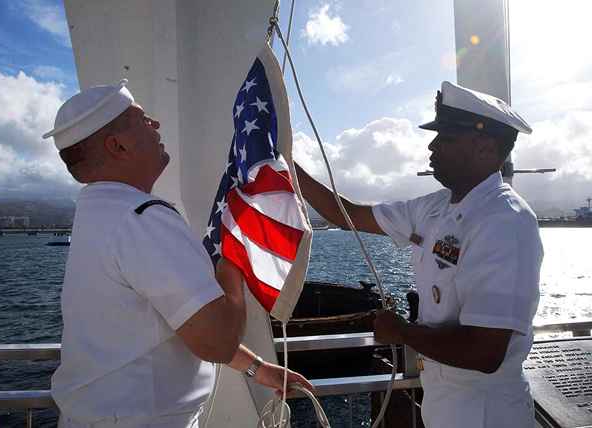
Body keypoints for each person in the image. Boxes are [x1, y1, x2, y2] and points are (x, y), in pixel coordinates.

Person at [43, 80, 312, 428]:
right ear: (118, 145)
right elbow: (215, 341)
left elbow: (182, 320)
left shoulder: (99, 214)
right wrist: (232, 263)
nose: (155, 123)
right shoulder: (142, 219)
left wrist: (258, 369)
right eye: (141, 119)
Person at [295, 81, 543, 428]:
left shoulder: (505, 221)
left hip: (488, 414)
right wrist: (289, 166)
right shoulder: (436, 207)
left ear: (485, 147)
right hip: (443, 407)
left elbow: (485, 352)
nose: (432, 145)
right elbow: (346, 214)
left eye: (446, 138)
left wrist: (402, 332)